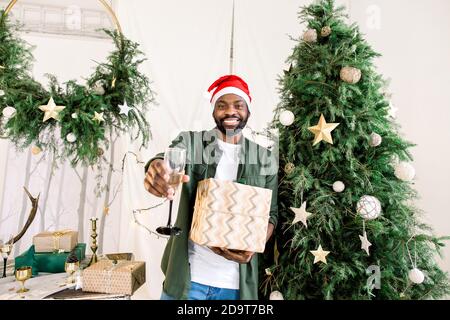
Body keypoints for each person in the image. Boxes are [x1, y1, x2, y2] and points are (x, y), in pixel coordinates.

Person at [144, 74, 278, 300]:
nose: (230, 112)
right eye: (222, 105)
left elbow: (271, 215)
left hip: (236, 287)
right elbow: (167, 158)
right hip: (188, 280)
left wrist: (253, 245)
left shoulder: (264, 158)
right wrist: (157, 168)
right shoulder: (193, 142)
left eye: (238, 105)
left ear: (248, 111)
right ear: (213, 111)